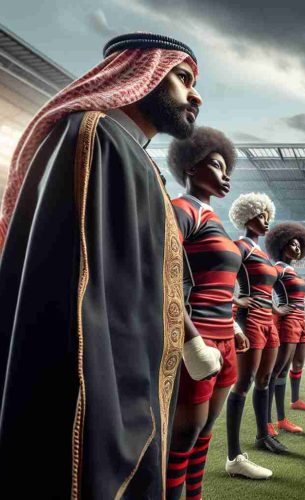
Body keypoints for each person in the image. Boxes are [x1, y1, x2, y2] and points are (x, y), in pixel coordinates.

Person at [0, 33, 223, 499]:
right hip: (99, 396)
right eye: (182, 78)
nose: (195, 94)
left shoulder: (129, 152)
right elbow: (80, 293)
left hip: (129, 388)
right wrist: (113, 411)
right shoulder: (95, 135)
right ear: (140, 74)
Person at [168, 127, 269, 499]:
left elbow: (213, 282)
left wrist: (230, 323)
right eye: (216, 165)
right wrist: (192, 340)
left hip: (224, 338)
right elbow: (162, 274)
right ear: (191, 167)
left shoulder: (213, 218)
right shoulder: (182, 209)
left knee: (204, 433)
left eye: (228, 169)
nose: (226, 175)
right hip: (199, 339)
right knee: (183, 438)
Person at [226, 192, 287, 469]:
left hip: (269, 321)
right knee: (244, 382)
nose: (265, 221)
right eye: (260, 215)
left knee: (265, 379)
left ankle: (263, 435)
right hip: (250, 320)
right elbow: (220, 277)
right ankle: (234, 452)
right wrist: (236, 300)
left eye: (267, 216)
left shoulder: (262, 252)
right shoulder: (240, 246)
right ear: (246, 217)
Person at [267, 222, 305, 435]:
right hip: (287, 322)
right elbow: (261, 289)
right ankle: (270, 421)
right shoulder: (276, 268)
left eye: (298, 245)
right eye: (293, 245)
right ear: (282, 245)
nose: (297, 248)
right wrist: (276, 309)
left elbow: (300, 300)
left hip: (300, 321)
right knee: (276, 372)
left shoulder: (292, 269)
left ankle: (285, 414)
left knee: (294, 366)